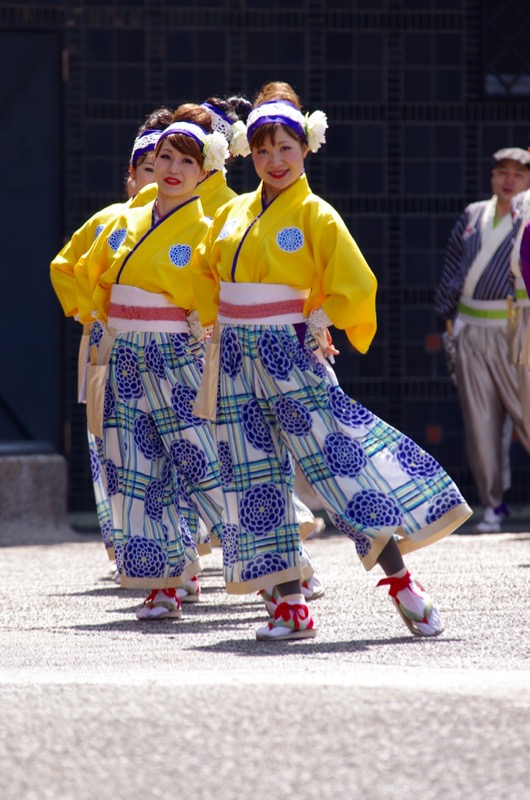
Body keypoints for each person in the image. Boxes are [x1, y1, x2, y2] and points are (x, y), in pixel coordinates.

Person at [192, 80, 472, 642]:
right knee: (254, 479)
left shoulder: (316, 213)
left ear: (306, 148)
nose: (274, 160)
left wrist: (320, 318)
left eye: (285, 148)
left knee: (337, 465)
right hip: (235, 358)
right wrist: (208, 323)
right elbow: (204, 270)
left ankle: (402, 584)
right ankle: (289, 604)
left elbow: (355, 281)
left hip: (288, 352)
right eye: (264, 149)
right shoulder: (236, 212)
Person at [50, 107, 174, 567]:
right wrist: (90, 309)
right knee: (111, 442)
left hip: (170, 345)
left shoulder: (191, 220)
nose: (158, 176)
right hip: (109, 343)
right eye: (148, 168)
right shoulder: (109, 221)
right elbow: (64, 268)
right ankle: (128, 543)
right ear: (131, 175)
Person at [434, 147, 530, 533]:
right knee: (480, 420)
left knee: (526, 414)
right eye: (502, 172)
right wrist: (447, 320)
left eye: (519, 174)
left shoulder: (527, 217)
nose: (509, 180)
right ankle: (493, 504)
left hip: (513, 327)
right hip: (470, 325)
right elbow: (452, 267)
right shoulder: (473, 215)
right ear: (492, 176)